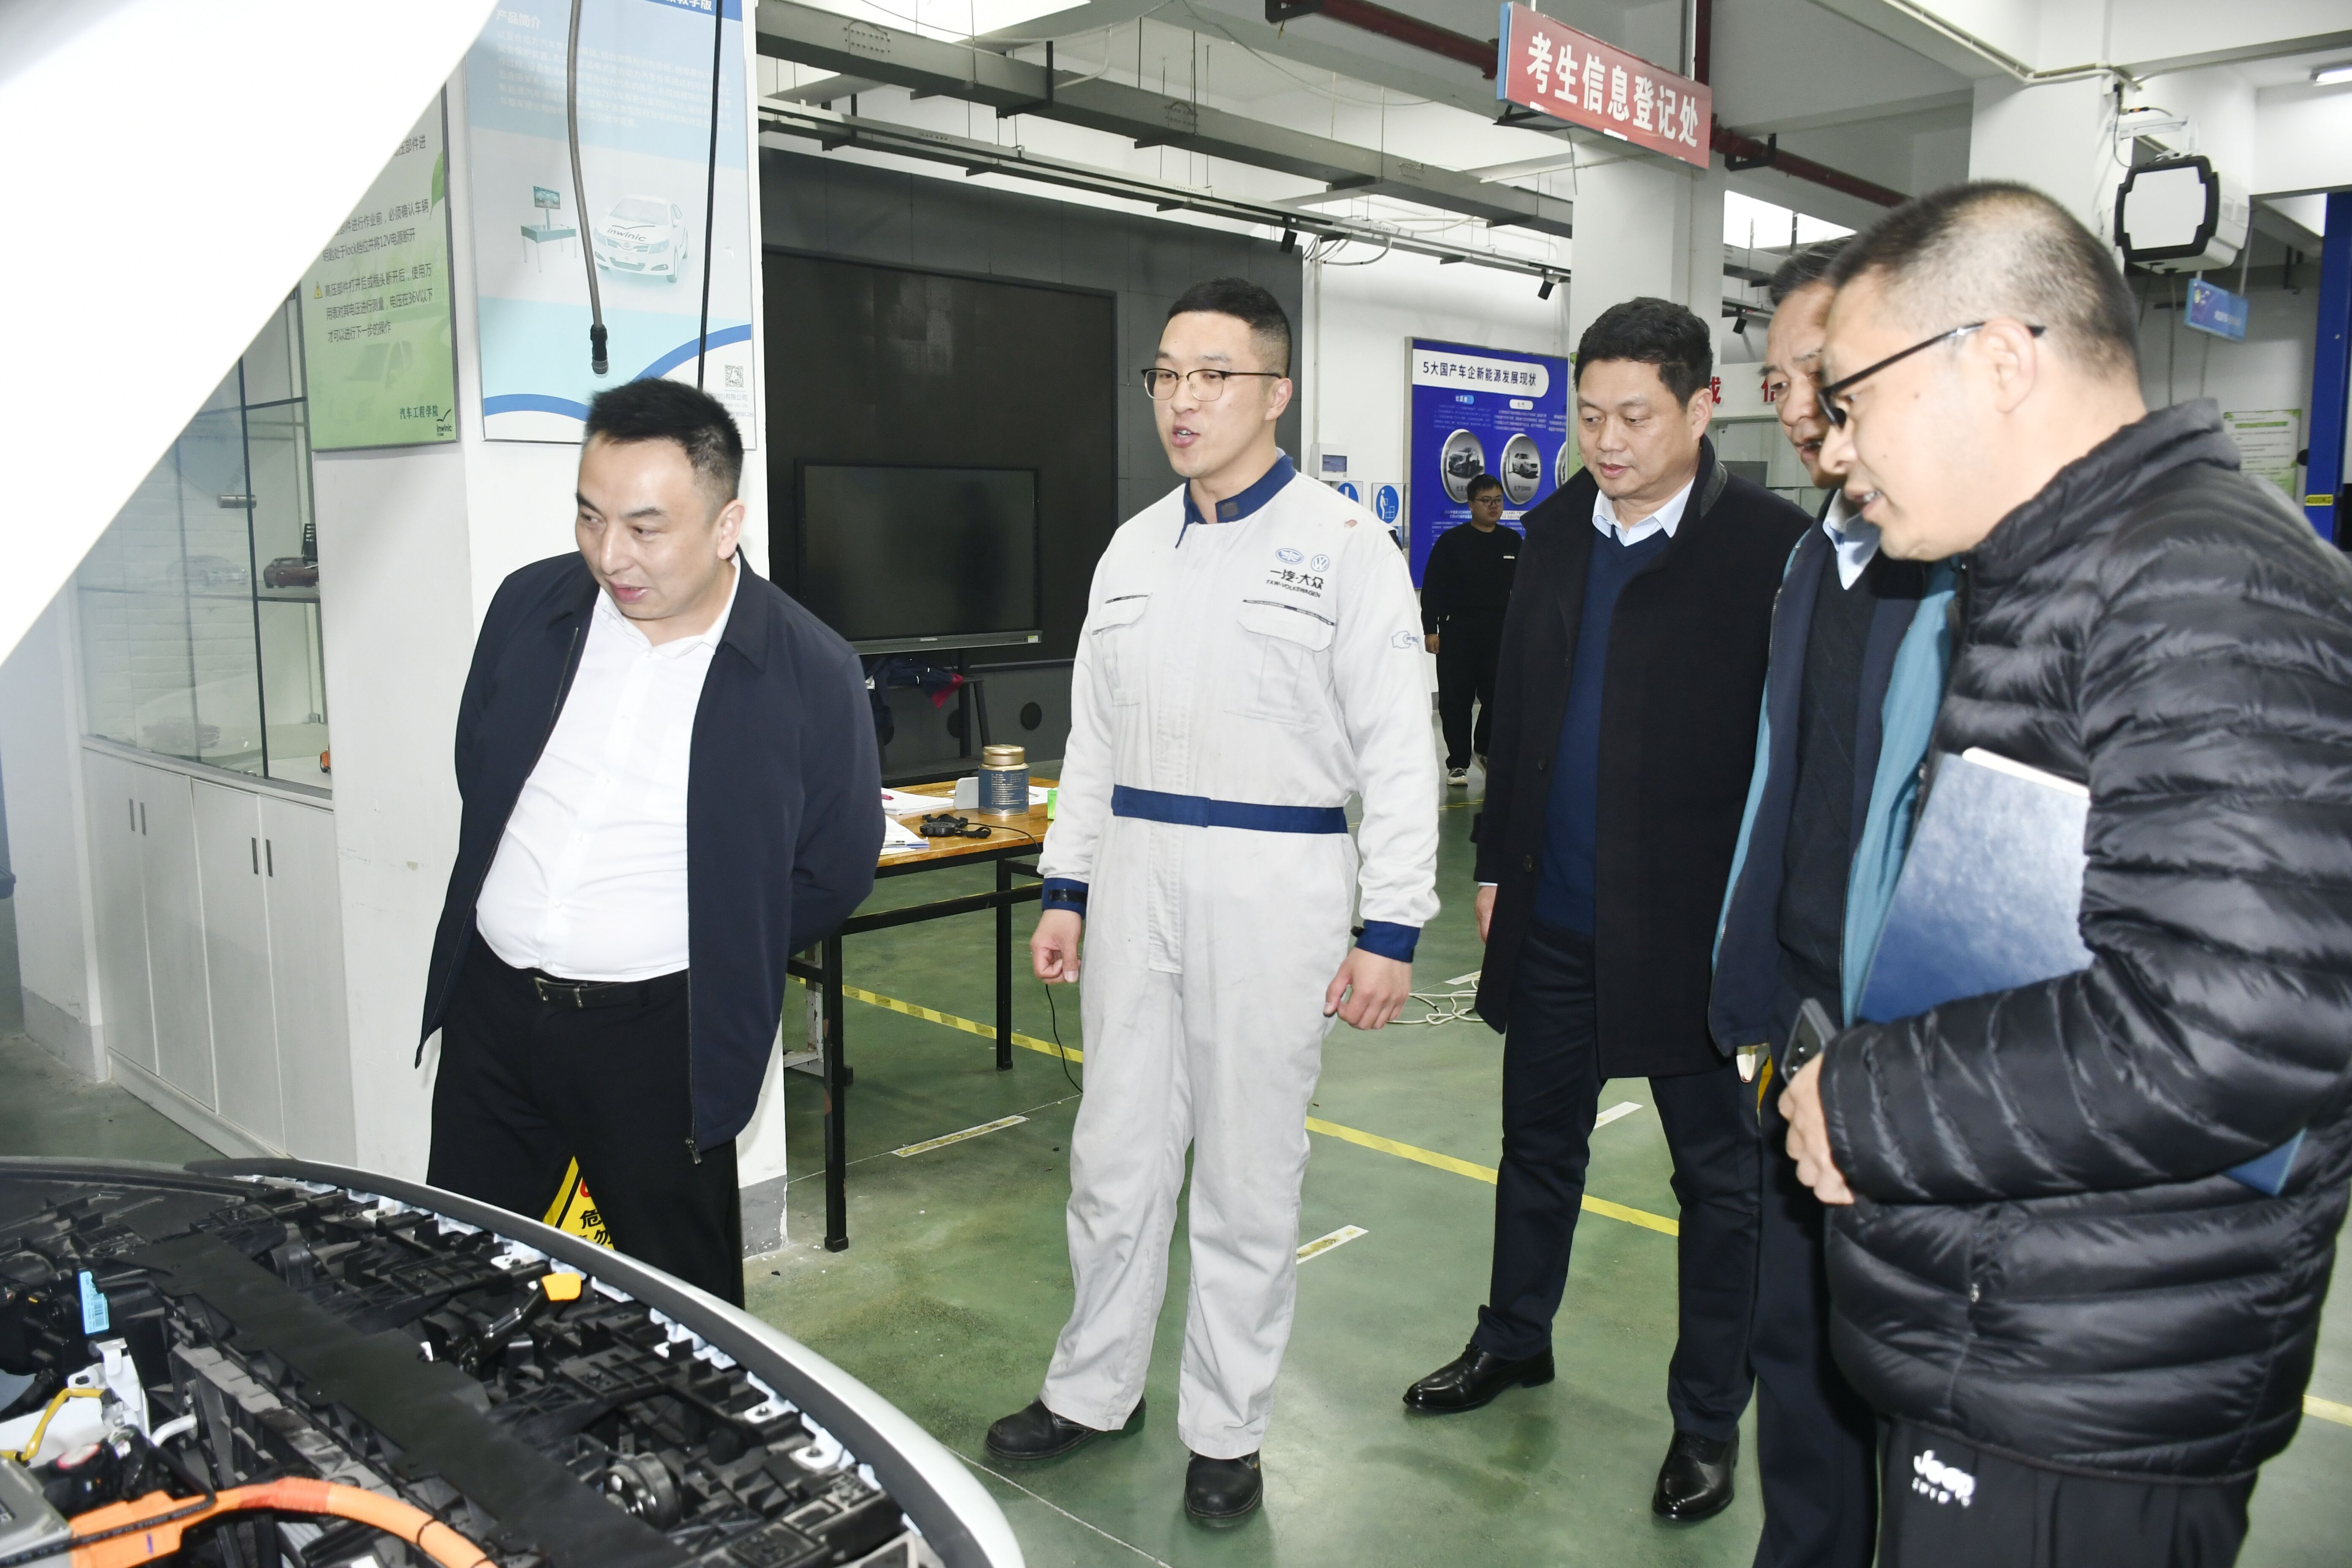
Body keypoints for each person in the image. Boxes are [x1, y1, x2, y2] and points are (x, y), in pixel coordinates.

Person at [1784, 181, 2352, 1568]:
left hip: (2082, 1382)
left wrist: (1866, 1104)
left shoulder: (2198, 588)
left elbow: (2235, 1028)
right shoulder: (2070, 575)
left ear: (1995, 357)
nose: (1833, 448)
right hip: (2024, 1331)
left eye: (1850, 399)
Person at [984, 277, 1438, 1526]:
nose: (1180, 401)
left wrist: (1391, 924)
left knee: (1247, 1174)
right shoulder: (1131, 550)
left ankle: (1227, 1430)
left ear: (1275, 392)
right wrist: (1066, 885)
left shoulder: (1343, 549)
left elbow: (1401, 752)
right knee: (1113, 1155)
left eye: (1212, 376)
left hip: (1275, 882)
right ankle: (1092, 1389)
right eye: (1166, 376)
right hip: (1135, 874)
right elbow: (1091, 741)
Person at [1402, 297, 1809, 1522]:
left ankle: (1707, 1422)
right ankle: (1513, 1335)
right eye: (1589, 417)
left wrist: (1772, 933)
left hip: (1696, 938)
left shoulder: (1771, 549)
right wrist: (1492, 865)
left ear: (1703, 406)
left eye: (1635, 417)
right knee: (1537, 1145)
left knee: (1720, 1187)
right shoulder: (1555, 530)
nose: (1609, 442)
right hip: (1557, 914)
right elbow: (1522, 708)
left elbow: (1795, 757)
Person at [417, 380, 881, 1306]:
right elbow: (483, 763)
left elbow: (835, 865)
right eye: (590, 518)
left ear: (725, 524)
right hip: (493, 1014)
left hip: (660, 1041)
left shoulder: (807, 669)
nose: (610, 555)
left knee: (679, 1309)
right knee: (463, 1278)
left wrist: (719, 938)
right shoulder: (530, 606)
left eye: (644, 528)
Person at [1709, 240, 1953, 1568]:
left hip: (1909, 1042)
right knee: (1794, 1344)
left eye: (1828, 379)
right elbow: (1781, 783)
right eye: (1783, 383)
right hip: (1796, 1017)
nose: (1804, 413)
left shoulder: (1958, 572)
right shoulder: (1815, 560)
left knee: (1907, 1371)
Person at [1421, 473, 1519, 786]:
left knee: (1498, 697)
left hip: (1499, 634)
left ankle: (1485, 750)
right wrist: (1431, 629)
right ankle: (1458, 763)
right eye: (1486, 501)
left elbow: (1527, 590)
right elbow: (1433, 588)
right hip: (1457, 634)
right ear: (1471, 505)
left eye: (1498, 501)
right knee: (1456, 702)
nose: (1494, 507)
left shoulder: (1513, 542)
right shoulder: (1452, 543)